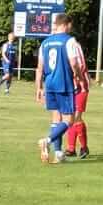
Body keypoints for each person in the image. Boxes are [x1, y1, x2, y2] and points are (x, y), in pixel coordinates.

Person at [35, 13, 82, 164]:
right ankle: (47, 141)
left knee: (56, 118)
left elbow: (40, 67)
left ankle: (59, 154)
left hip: (49, 84)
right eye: (71, 25)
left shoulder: (45, 42)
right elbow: (74, 63)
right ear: (66, 24)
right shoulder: (69, 40)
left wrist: (39, 88)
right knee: (69, 119)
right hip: (63, 83)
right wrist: (79, 77)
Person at [64, 22, 90, 160]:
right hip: (69, 87)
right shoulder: (62, 45)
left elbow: (81, 65)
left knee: (77, 117)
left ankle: (83, 147)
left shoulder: (74, 45)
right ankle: (71, 148)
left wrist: (77, 78)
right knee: (70, 118)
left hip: (80, 86)